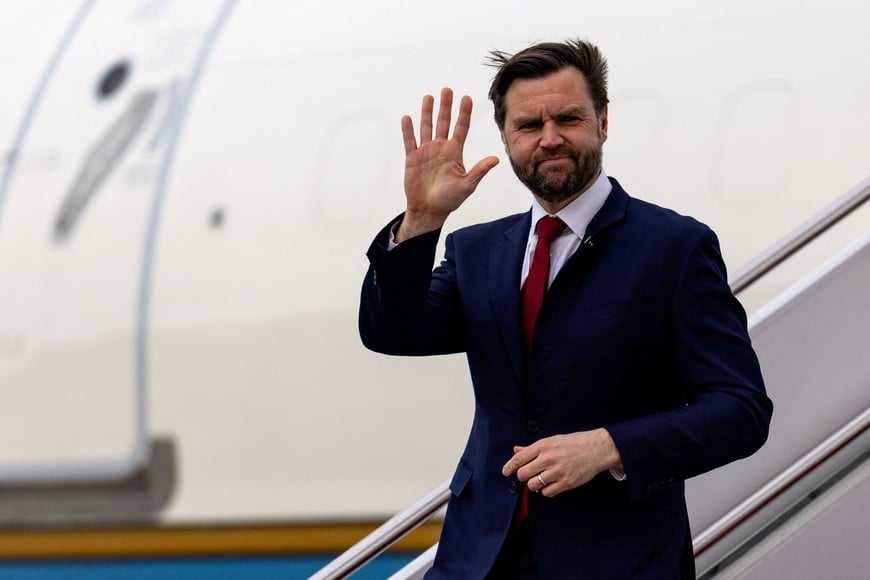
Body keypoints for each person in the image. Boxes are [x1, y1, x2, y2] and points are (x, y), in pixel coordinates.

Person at [359, 39, 772, 579]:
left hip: (621, 563)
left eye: (569, 119)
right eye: (529, 125)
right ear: (506, 137)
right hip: (478, 561)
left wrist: (609, 447)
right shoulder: (477, 251)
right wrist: (421, 222)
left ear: (603, 122)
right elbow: (392, 332)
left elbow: (741, 410)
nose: (550, 138)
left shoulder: (674, 247)